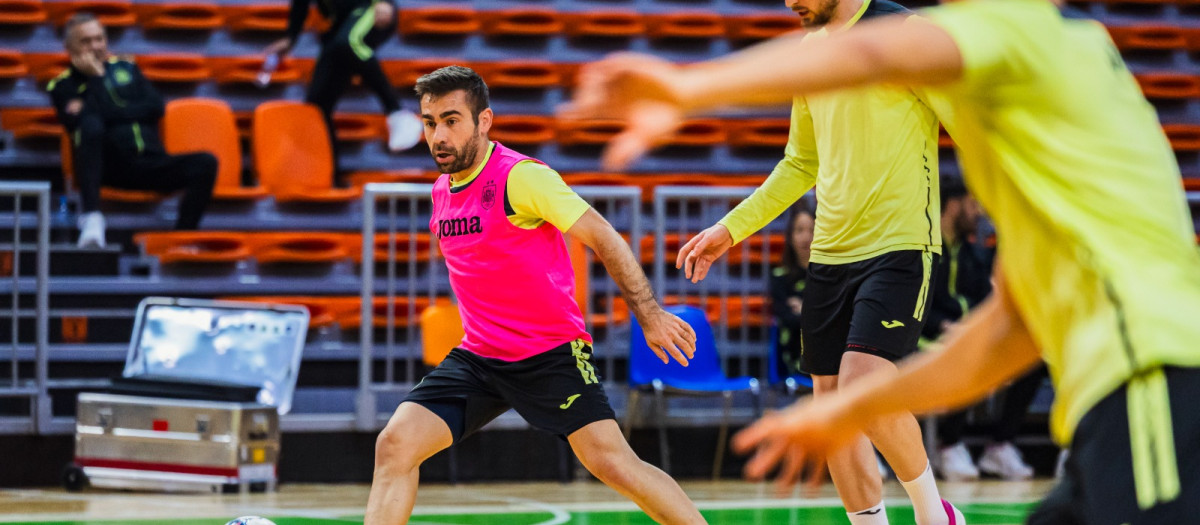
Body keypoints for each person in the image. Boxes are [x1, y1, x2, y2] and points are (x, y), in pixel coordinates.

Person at [564, 0, 1200, 523]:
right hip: (1118, 396)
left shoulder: (1011, 30)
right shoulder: (1046, 126)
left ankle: (930, 515)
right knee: (844, 389)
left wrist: (687, 85)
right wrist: (843, 413)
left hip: (1152, 380)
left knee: (861, 379)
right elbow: (1005, 333)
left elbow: (870, 51)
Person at [621, 0, 965, 523]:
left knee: (862, 382)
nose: (788, 2)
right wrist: (730, 228)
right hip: (830, 254)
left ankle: (934, 515)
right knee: (830, 405)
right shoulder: (811, 50)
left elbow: (971, 124)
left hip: (900, 244)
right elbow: (801, 162)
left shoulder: (904, 34)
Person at [362, 66, 706, 525]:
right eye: (429, 123)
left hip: (549, 355)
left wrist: (650, 314)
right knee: (395, 445)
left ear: (484, 121)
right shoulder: (442, 188)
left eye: (451, 120)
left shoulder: (520, 177)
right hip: (481, 357)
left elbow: (604, 236)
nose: (438, 135)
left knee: (612, 463)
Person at [48, 13, 217, 248]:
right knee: (91, 125)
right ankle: (92, 218)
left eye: (99, 39)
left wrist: (109, 112)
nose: (95, 46)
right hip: (110, 169)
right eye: (86, 41)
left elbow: (156, 107)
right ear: (69, 47)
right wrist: (97, 79)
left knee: (206, 163)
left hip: (151, 162)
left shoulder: (127, 67)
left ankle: (183, 238)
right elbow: (83, 122)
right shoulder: (62, 85)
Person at [924, 179, 1040, 482]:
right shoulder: (923, 248)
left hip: (960, 335)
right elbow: (912, 303)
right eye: (972, 204)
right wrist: (943, 324)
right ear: (952, 205)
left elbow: (982, 299)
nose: (978, 213)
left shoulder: (970, 253)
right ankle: (947, 443)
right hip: (923, 339)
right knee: (973, 354)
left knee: (1029, 359)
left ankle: (1000, 444)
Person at [265, 0, 421, 160]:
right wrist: (291, 37)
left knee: (349, 42)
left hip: (368, 7)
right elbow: (300, 3)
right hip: (340, 23)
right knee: (317, 107)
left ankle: (398, 113)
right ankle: (332, 177)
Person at [769, 203, 814, 378]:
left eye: (812, 230)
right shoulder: (779, 276)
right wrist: (815, 312)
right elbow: (787, 318)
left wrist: (803, 309)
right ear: (790, 236)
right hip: (793, 353)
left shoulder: (830, 275)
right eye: (799, 230)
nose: (806, 237)